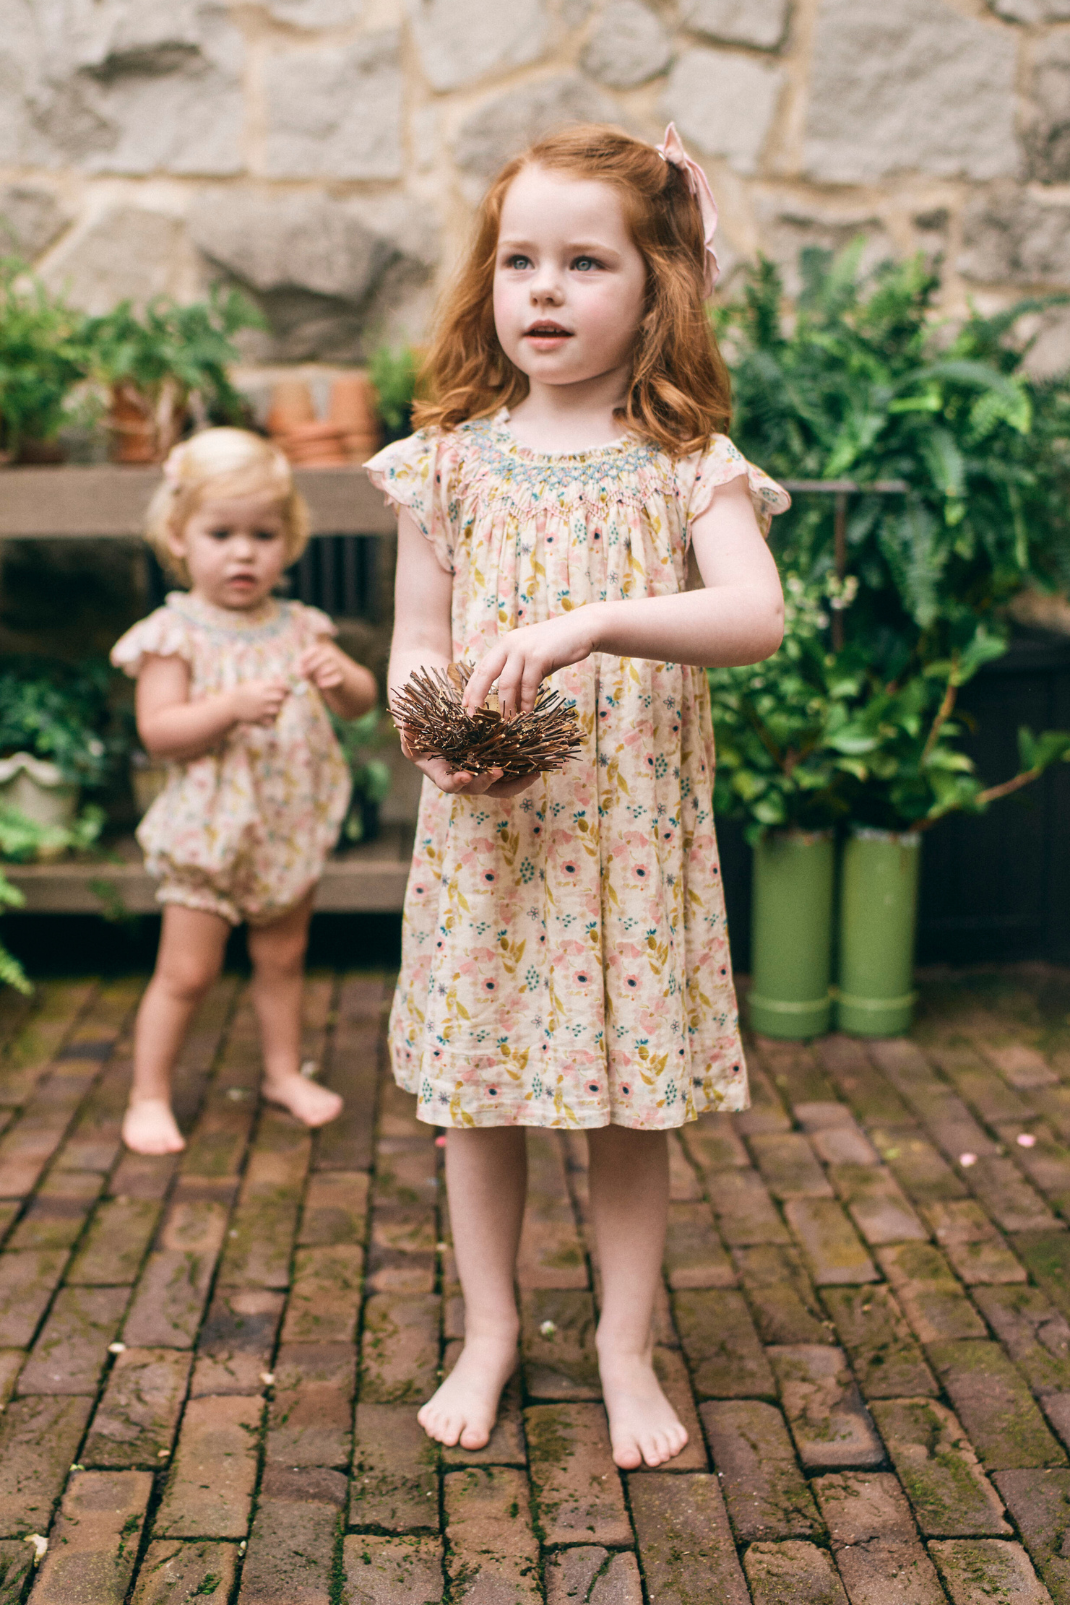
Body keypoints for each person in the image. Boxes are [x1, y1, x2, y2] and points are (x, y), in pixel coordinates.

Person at [367, 122, 789, 1471]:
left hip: (630, 849)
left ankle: (621, 1342)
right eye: (519, 261)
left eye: (585, 262)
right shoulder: (445, 460)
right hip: (489, 837)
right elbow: (416, 644)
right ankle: (487, 1328)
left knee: (624, 1100)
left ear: (656, 286)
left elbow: (752, 615)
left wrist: (592, 622)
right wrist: (430, 737)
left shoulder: (685, 461)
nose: (542, 290)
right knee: (478, 1094)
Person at [112, 428, 377, 1156]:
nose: (242, 552)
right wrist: (227, 708)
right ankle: (148, 1093)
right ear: (178, 535)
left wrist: (341, 677)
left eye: (263, 534)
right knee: (187, 970)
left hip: (285, 823)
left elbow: (360, 703)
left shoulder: (301, 627)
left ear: (288, 541)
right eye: (221, 533)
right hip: (208, 834)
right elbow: (160, 731)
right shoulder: (174, 634)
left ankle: (284, 1072)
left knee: (283, 957)